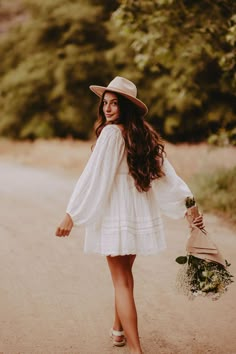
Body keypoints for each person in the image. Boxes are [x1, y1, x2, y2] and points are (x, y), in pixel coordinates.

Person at [55, 76, 204, 354]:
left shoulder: (111, 134)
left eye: (114, 104)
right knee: (124, 276)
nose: (108, 109)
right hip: (138, 213)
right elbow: (167, 176)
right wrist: (188, 203)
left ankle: (136, 350)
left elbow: (93, 178)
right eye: (105, 104)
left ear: (126, 107)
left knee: (121, 281)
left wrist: (71, 214)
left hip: (116, 213)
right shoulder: (142, 136)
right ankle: (118, 331)